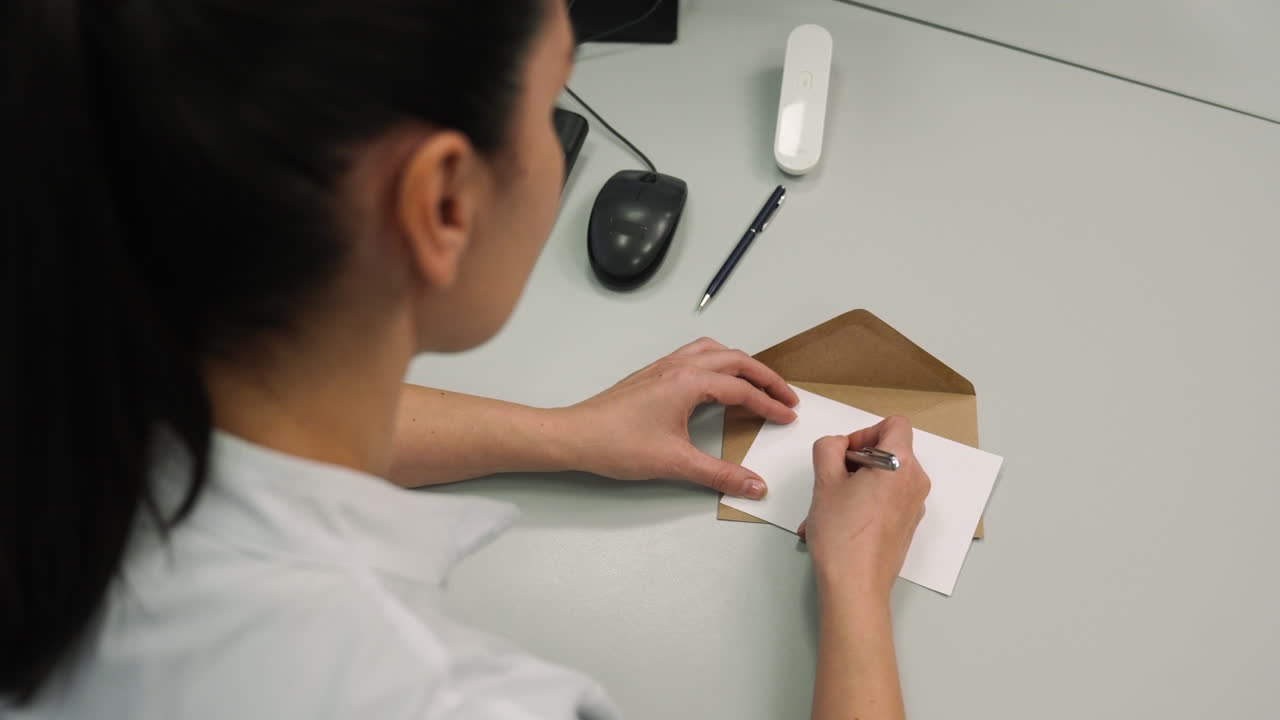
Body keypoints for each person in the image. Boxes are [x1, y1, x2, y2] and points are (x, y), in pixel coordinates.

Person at [0, 0, 931, 718]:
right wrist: (854, 592)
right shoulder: (448, 699)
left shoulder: (64, 369)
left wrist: (567, 434)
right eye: (554, 99)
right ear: (444, 203)